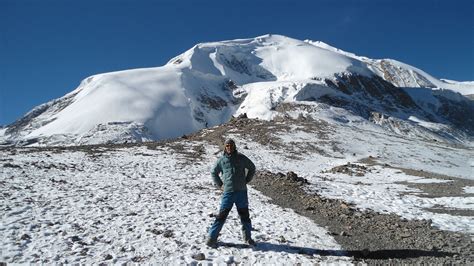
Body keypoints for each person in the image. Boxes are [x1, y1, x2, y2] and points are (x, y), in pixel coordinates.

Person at [206, 139, 256, 248]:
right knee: (221, 216)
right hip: (228, 193)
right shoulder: (222, 160)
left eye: (231, 145)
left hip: (241, 193)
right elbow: (213, 172)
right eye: (227, 145)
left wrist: (246, 180)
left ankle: (247, 238)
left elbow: (252, 168)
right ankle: (211, 238)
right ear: (225, 147)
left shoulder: (241, 158)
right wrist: (220, 185)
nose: (229, 147)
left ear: (234, 146)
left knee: (245, 216)